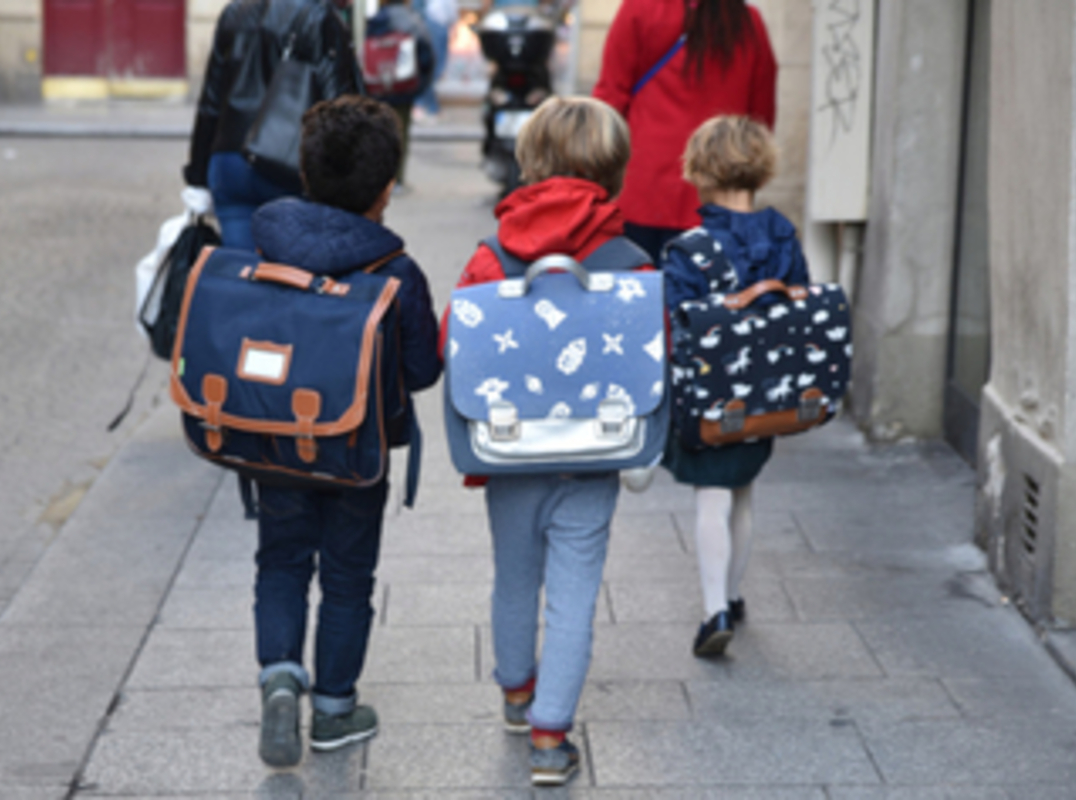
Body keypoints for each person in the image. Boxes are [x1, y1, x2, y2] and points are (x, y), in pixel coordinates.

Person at [446, 96, 646, 787]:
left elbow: (453, 345)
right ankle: (550, 738)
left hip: (510, 451)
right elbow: (654, 354)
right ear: (613, 169)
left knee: (514, 575)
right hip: (594, 453)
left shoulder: (491, 255)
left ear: (529, 162)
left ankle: (515, 691)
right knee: (573, 595)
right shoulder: (629, 260)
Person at [246, 96, 443, 767]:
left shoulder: (266, 243)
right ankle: (334, 710)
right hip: (358, 452)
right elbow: (422, 372)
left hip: (277, 441)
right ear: (386, 188)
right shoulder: (397, 271)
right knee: (348, 577)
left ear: (305, 173)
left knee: (281, 561)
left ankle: (279, 678)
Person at [660, 115, 808, 658]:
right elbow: (800, 303)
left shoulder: (688, 249)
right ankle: (734, 593)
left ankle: (713, 610)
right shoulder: (783, 235)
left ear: (699, 170)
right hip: (767, 391)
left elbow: (674, 328)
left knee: (712, 496)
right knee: (742, 489)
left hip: (709, 396)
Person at [592, 0, 776, 260]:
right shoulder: (747, 22)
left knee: (642, 282)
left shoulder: (640, 9)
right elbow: (760, 119)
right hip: (720, 191)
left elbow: (610, 99)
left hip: (643, 188)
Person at [182, 0, 363, 252]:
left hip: (229, 160)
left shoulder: (234, 12)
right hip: (287, 163)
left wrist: (198, 176)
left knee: (241, 269)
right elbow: (338, 109)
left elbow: (211, 102)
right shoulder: (320, 17)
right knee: (291, 271)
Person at [366, 0, 436, 186]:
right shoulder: (412, 21)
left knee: (378, 133)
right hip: (403, 87)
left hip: (376, 86)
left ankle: (378, 178)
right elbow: (426, 57)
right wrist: (420, 85)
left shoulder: (374, 21)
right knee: (400, 133)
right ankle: (396, 179)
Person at [411, 0, 455, 121]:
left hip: (432, 24)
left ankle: (426, 105)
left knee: (431, 69)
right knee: (432, 69)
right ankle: (425, 105)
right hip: (434, 24)